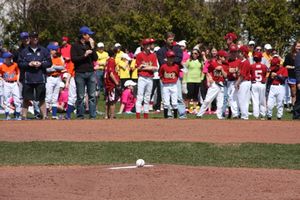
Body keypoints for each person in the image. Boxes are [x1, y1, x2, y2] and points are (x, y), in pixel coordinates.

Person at [18, 31, 52, 120]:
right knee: (26, 98)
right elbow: (20, 63)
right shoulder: (24, 51)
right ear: (30, 39)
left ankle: (44, 115)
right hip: (28, 78)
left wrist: (41, 64)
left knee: (41, 98)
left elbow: (49, 63)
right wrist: (29, 64)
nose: (35, 38)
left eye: (36, 37)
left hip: (40, 78)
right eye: (33, 37)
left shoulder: (44, 50)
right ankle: (24, 116)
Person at [71, 26, 98, 119]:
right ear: (83, 35)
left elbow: (95, 58)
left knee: (92, 95)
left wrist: (93, 47)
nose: (90, 36)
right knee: (80, 96)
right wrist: (84, 55)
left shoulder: (89, 44)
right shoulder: (75, 46)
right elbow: (74, 59)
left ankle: (93, 115)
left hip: (90, 72)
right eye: (88, 34)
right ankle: (80, 116)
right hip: (80, 73)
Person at [157, 32, 186, 118]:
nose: (171, 41)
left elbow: (179, 59)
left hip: (175, 76)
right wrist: (173, 59)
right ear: (165, 40)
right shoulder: (160, 51)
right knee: (166, 98)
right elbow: (161, 62)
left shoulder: (177, 49)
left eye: (172, 39)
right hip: (165, 76)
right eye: (170, 39)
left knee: (179, 97)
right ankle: (169, 115)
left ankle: (182, 115)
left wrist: (169, 60)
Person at [196, 50, 228, 119]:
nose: (225, 58)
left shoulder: (225, 65)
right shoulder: (213, 63)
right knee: (207, 100)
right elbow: (205, 69)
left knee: (220, 103)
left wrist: (222, 69)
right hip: (214, 85)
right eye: (224, 57)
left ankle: (220, 116)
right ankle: (199, 114)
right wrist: (209, 77)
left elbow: (225, 76)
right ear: (219, 57)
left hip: (222, 85)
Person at [135, 38, 158, 119]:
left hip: (150, 78)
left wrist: (145, 67)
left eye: (149, 44)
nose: (148, 46)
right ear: (143, 46)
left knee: (147, 97)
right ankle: (138, 115)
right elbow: (138, 68)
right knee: (140, 96)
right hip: (142, 77)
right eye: (147, 44)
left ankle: (146, 115)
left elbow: (155, 68)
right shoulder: (139, 55)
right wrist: (149, 67)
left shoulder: (153, 55)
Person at [46, 44, 65, 119]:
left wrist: (54, 67)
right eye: (54, 50)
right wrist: (56, 68)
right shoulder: (47, 59)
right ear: (50, 51)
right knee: (48, 97)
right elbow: (47, 69)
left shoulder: (58, 58)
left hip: (57, 78)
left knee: (55, 97)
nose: (56, 51)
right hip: (50, 78)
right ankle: (46, 115)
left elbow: (62, 67)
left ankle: (54, 115)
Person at [0, 52, 21, 120]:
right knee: (6, 99)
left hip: (14, 83)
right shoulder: (2, 66)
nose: (10, 58)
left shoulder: (15, 64)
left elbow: (18, 72)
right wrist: (2, 80)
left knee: (17, 99)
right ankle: (7, 115)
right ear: (5, 59)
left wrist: (17, 80)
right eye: (9, 57)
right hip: (6, 83)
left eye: (11, 57)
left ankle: (17, 115)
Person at [159, 50, 180, 118]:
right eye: (169, 57)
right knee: (166, 103)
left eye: (172, 57)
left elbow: (177, 74)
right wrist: (163, 81)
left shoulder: (176, 66)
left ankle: (175, 117)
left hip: (173, 85)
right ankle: (165, 117)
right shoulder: (163, 66)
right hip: (166, 86)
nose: (171, 59)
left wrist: (175, 80)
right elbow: (161, 75)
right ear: (166, 58)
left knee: (174, 102)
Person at [184, 48, 204, 114]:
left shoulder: (200, 61)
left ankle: (195, 108)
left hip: (198, 80)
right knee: (189, 94)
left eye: (195, 53)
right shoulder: (189, 61)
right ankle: (187, 108)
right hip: (190, 80)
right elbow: (185, 70)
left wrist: (202, 78)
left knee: (196, 95)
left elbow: (203, 70)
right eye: (192, 53)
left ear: (198, 54)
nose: (193, 55)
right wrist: (184, 79)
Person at [235, 45, 252, 120]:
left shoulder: (245, 62)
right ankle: (244, 116)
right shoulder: (242, 62)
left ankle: (244, 116)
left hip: (244, 82)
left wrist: (237, 83)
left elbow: (242, 75)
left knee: (242, 99)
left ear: (243, 53)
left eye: (240, 52)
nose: (238, 54)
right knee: (244, 99)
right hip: (244, 82)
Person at [250, 51, 268, 119]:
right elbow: (265, 74)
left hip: (254, 84)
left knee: (255, 100)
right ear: (261, 58)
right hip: (262, 84)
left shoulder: (252, 66)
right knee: (262, 100)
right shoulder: (264, 66)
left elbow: (251, 74)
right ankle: (262, 115)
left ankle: (256, 115)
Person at [283, 41, 300, 111]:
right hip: (292, 76)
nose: (299, 48)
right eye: (297, 46)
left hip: (299, 76)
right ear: (294, 46)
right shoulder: (289, 55)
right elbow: (285, 65)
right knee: (294, 93)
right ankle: (294, 108)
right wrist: (294, 67)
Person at [104, 49, 120, 119]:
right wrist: (116, 82)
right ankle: (112, 116)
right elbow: (111, 73)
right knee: (112, 100)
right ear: (114, 54)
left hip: (107, 82)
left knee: (108, 100)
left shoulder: (107, 60)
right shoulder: (111, 61)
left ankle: (106, 115)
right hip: (111, 83)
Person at [293, 51, 300, 119]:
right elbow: (297, 69)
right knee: (299, 100)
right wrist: (298, 82)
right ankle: (296, 116)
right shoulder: (299, 55)